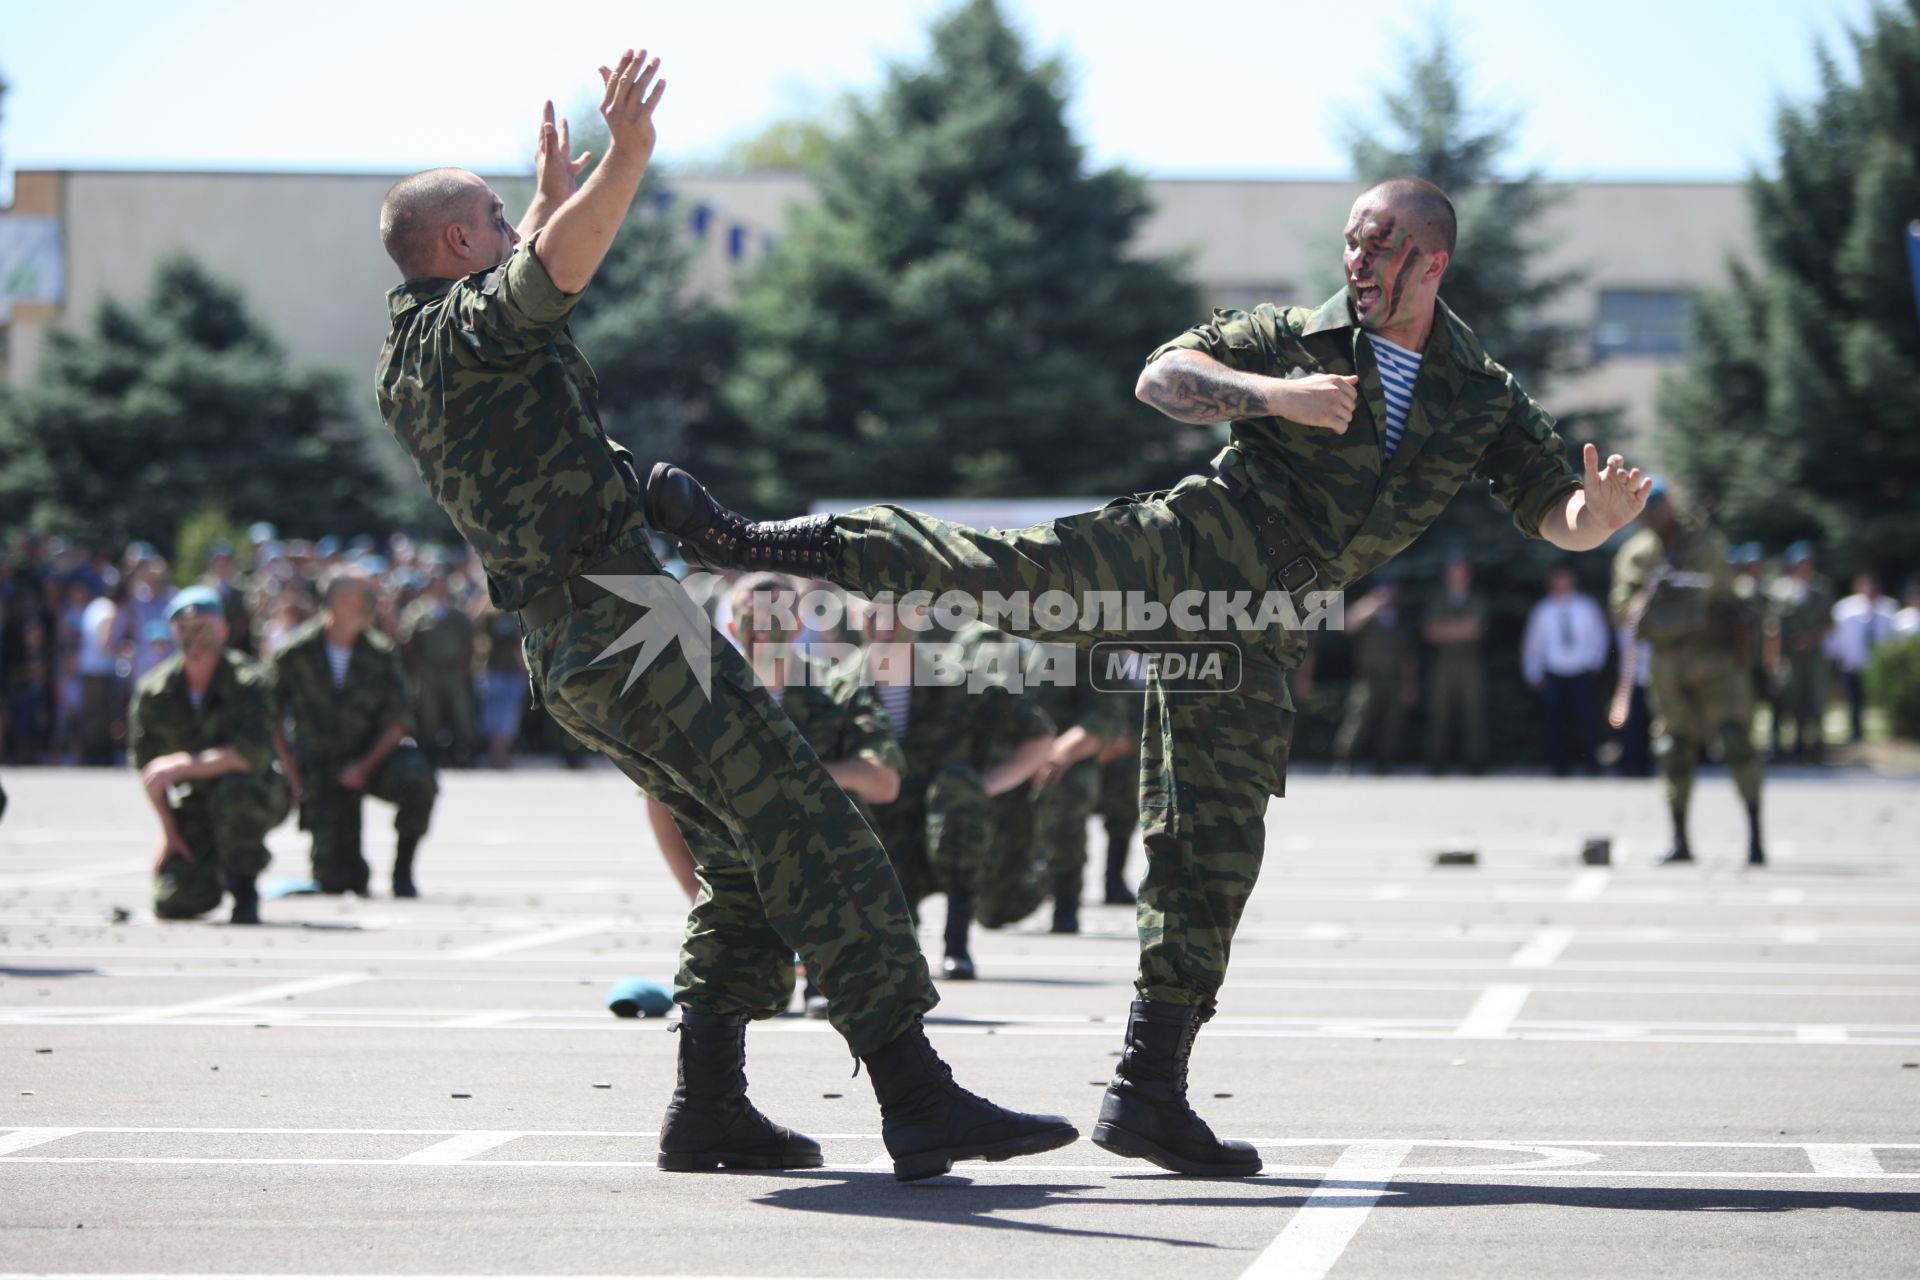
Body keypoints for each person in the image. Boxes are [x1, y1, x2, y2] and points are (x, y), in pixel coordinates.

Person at [650, 175, 1652, 1176]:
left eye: (1380, 245)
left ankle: (1149, 1093)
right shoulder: (1290, 336)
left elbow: (1547, 503)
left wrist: (1594, 521)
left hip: (1259, 623)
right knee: (1004, 573)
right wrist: (1275, 398)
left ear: (1432, 261)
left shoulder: (1476, 392)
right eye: (1351, 241)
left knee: (1213, 843)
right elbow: (1164, 376)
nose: (1356, 261)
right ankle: (752, 538)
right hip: (1188, 548)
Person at [372, 51, 1073, 1181]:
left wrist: (547, 191)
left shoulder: (416, 352)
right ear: (457, 245)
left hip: (580, 629)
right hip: (626, 613)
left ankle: (710, 1107)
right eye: (495, 218)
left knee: (745, 851)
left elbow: (526, 274)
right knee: (810, 816)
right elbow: (548, 276)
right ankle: (918, 1091)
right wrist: (631, 156)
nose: (514, 225)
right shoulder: (471, 331)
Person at [857, 604, 1053, 979]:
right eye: (873, 612)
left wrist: (983, 788)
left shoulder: (957, 679)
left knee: (958, 790)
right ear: (855, 616)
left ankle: (956, 941)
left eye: (894, 612)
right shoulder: (837, 683)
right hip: (874, 825)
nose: (884, 623)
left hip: (942, 819)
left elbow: (1038, 734)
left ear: (916, 616)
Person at [1611, 483, 1764, 866]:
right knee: (1672, 748)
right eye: (1646, 507)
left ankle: (1756, 838)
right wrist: (1647, 599)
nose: (1652, 513)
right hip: (1668, 662)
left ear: (1671, 506)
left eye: (1657, 504)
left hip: (1715, 658)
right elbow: (1621, 609)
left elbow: (1725, 594)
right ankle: (1680, 841)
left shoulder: (1704, 545)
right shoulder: (1636, 556)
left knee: (1736, 741)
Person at [271, 571, 439, 898]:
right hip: (319, 769)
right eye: (362, 597)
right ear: (338, 601)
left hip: (372, 760)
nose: (370, 605)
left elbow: (399, 720)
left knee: (418, 778)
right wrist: (292, 774)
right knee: (339, 881)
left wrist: (364, 765)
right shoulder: (295, 653)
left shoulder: (380, 653)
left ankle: (402, 871)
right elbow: (269, 717)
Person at [129, 587, 290, 924]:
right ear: (174, 632)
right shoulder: (155, 691)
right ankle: (210, 867)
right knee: (173, 902)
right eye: (187, 628)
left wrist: (182, 764)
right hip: (196, 804)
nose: (196, 636)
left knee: (235, 791)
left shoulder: (249, 682)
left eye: (205, 626)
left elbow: (254, 755)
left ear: (223, 631)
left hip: (255, 794)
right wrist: (170, 832)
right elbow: (150, 774)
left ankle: (243, 887)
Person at [1521, 566, 1611, 775]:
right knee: (1555, 722)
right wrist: (1533, 672)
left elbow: (1600, 636)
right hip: (1554, 673)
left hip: (1581, 672)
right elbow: (1533, 644)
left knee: (1587, 720)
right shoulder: (1543, 610)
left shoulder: (1586, 607)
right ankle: (1559, 766)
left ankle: (1592, 764)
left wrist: (1595, 663)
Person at [1331, 581, 1417, 775]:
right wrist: (1371, 603)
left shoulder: (1402, 620)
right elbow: (1347, 625)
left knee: (1392, 723)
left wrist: (1410, 684)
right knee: (1357, 720)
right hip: (1368, 678)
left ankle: (1384, 762)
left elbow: (1409, 656)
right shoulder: (1369, 617)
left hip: (1394, 679)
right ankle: (1344, 761)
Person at [401, 570, 478, 766]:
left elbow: (469, 640)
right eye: (434, 584)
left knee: (461, 711)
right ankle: (430, 752)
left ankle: (465, 750)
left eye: (441, 584)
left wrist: (466, 665)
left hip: (454, 670)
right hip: (429, 670)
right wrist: (415, 667)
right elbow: (407, 642)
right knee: (429, 713)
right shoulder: (417, 613)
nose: (438, 588)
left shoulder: (457, 613)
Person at [1764, 541, 1832, 761]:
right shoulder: (1781, 591)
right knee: (1786, 698)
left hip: (1812, 656)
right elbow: (1773, 627)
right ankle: (1781, 745)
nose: (1805, 568)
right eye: (1800, 564)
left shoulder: (1821, 589)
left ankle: (1811, 745)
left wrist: (1812, 640)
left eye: (1808, 563)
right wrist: (1772, 658)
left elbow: (1828, 622)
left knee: (1814, 698)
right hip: (1788, 655)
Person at [1422, 556, 1488, 774]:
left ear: (1468, 576)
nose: (1457, 578)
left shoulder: (1477, 599)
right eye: (1453, 573)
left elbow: (1475, 630)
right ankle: (1436, 763)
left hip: (1470, 665)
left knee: (1473, 714)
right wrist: (1461, 629)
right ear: (1447, 576)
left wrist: (1446, 630)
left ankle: (1475, 763)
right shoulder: (1437, 600)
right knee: (1439, 714)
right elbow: (1431, 633)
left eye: (1461, 573)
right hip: (1443, 665)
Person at [1830, 573, 1898, 742]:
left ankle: (1888, 734)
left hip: (1879, 665)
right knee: (1854, 701)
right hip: (1853, 662)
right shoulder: (1845, 608)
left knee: (1881, 701)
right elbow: (1838, 636)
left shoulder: (1889, 608)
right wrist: (1836, 656)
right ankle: (1856, 733)